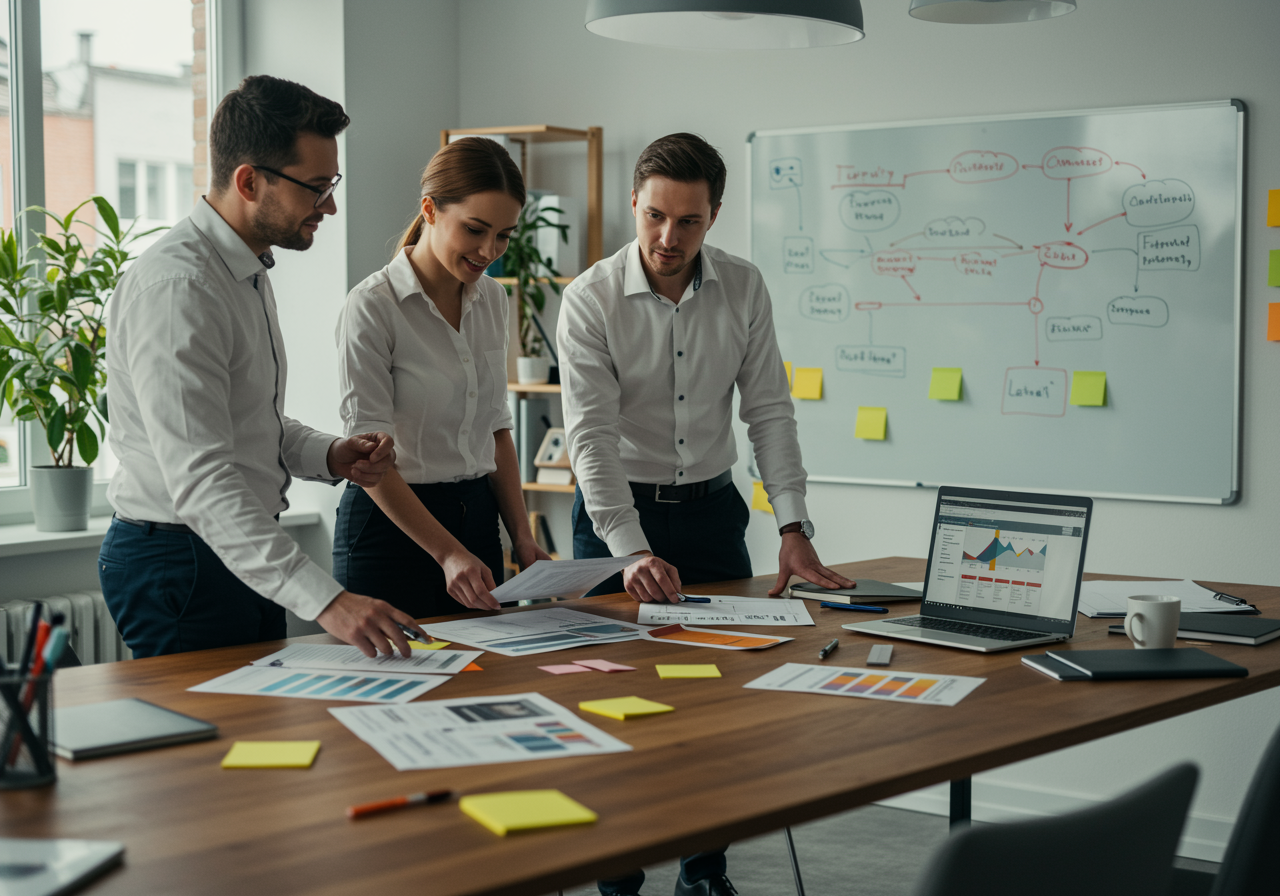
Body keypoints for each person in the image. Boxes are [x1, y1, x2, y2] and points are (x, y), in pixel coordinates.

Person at [557, 133, 853, 896]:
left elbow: (770, 414)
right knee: (618, 707)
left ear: (714, 215)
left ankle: (704, 875)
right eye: (655, 216)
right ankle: (618, 880)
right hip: (616, 520)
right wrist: (629, 550)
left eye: (688, 222)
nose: (667, 238)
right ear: (633, 202)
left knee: (718, 705)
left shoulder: (745, 289)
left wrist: (793, 527)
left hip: (714, 516)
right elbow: (589, 439)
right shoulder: (589, 299)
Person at [100, 75, 424, 660]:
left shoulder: (242, 270)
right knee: (213, 747)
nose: (329, 204)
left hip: (232, 547)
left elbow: (245, 422)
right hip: (184, 560)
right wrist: (329, 601)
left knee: (258, 742)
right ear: (249, 181)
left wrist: (328, 454)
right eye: (317, 187)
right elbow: (201, 478)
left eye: (332, 184)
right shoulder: (180, 288)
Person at [331, 137, 550, 618]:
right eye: (475, 230)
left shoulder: (493, 299)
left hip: (477, 525)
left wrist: (523, 538)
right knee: (393, 687)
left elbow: (497, 429)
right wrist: (446, 552)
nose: (489, 250)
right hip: (390, 531)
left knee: (486, 678)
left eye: (505, 235)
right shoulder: (372, 306)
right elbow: (369, 458)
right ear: (430, 209)